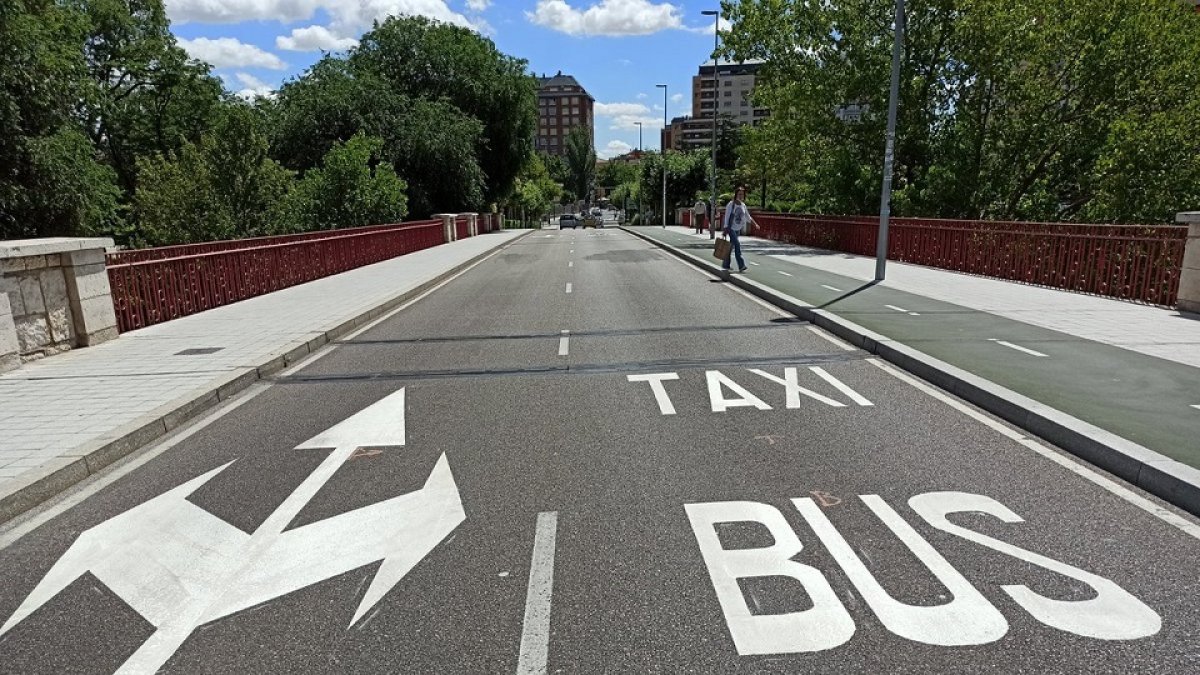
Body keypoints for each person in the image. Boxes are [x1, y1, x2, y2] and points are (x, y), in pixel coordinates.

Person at [721, 186, 757, 273]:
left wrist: (755, 224)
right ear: (736, 194)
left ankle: (726, 264)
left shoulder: (743, 205)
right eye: (739, 194)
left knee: (731, 246)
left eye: (742, 194)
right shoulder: (731, 204)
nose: (741, 196)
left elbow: (748, 217)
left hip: (738, 228)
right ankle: (741, 265)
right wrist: (725, 228)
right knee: (737, 244)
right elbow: (727, 216)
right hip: (731, 228)